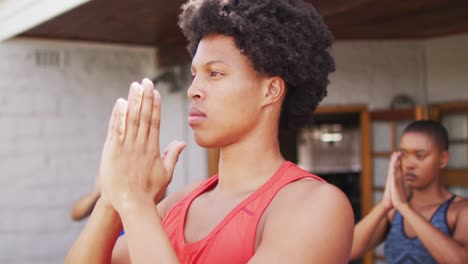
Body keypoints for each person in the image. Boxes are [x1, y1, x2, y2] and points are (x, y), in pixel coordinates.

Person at [65, 0, 354, 263]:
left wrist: (137, 203)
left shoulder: (317, 206)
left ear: (270, 90)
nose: (193, 91)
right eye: (194, 75)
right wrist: (114, 197)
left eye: (215, 73)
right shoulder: (181, 202)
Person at [351, 120, 468, 263]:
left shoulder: (459, 211)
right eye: (404, 155)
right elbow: (348, 250)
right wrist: (384, 205)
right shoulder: (393, 212)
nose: (409, 164)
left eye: (420, 155)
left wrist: (405, 208)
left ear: (443, 159)